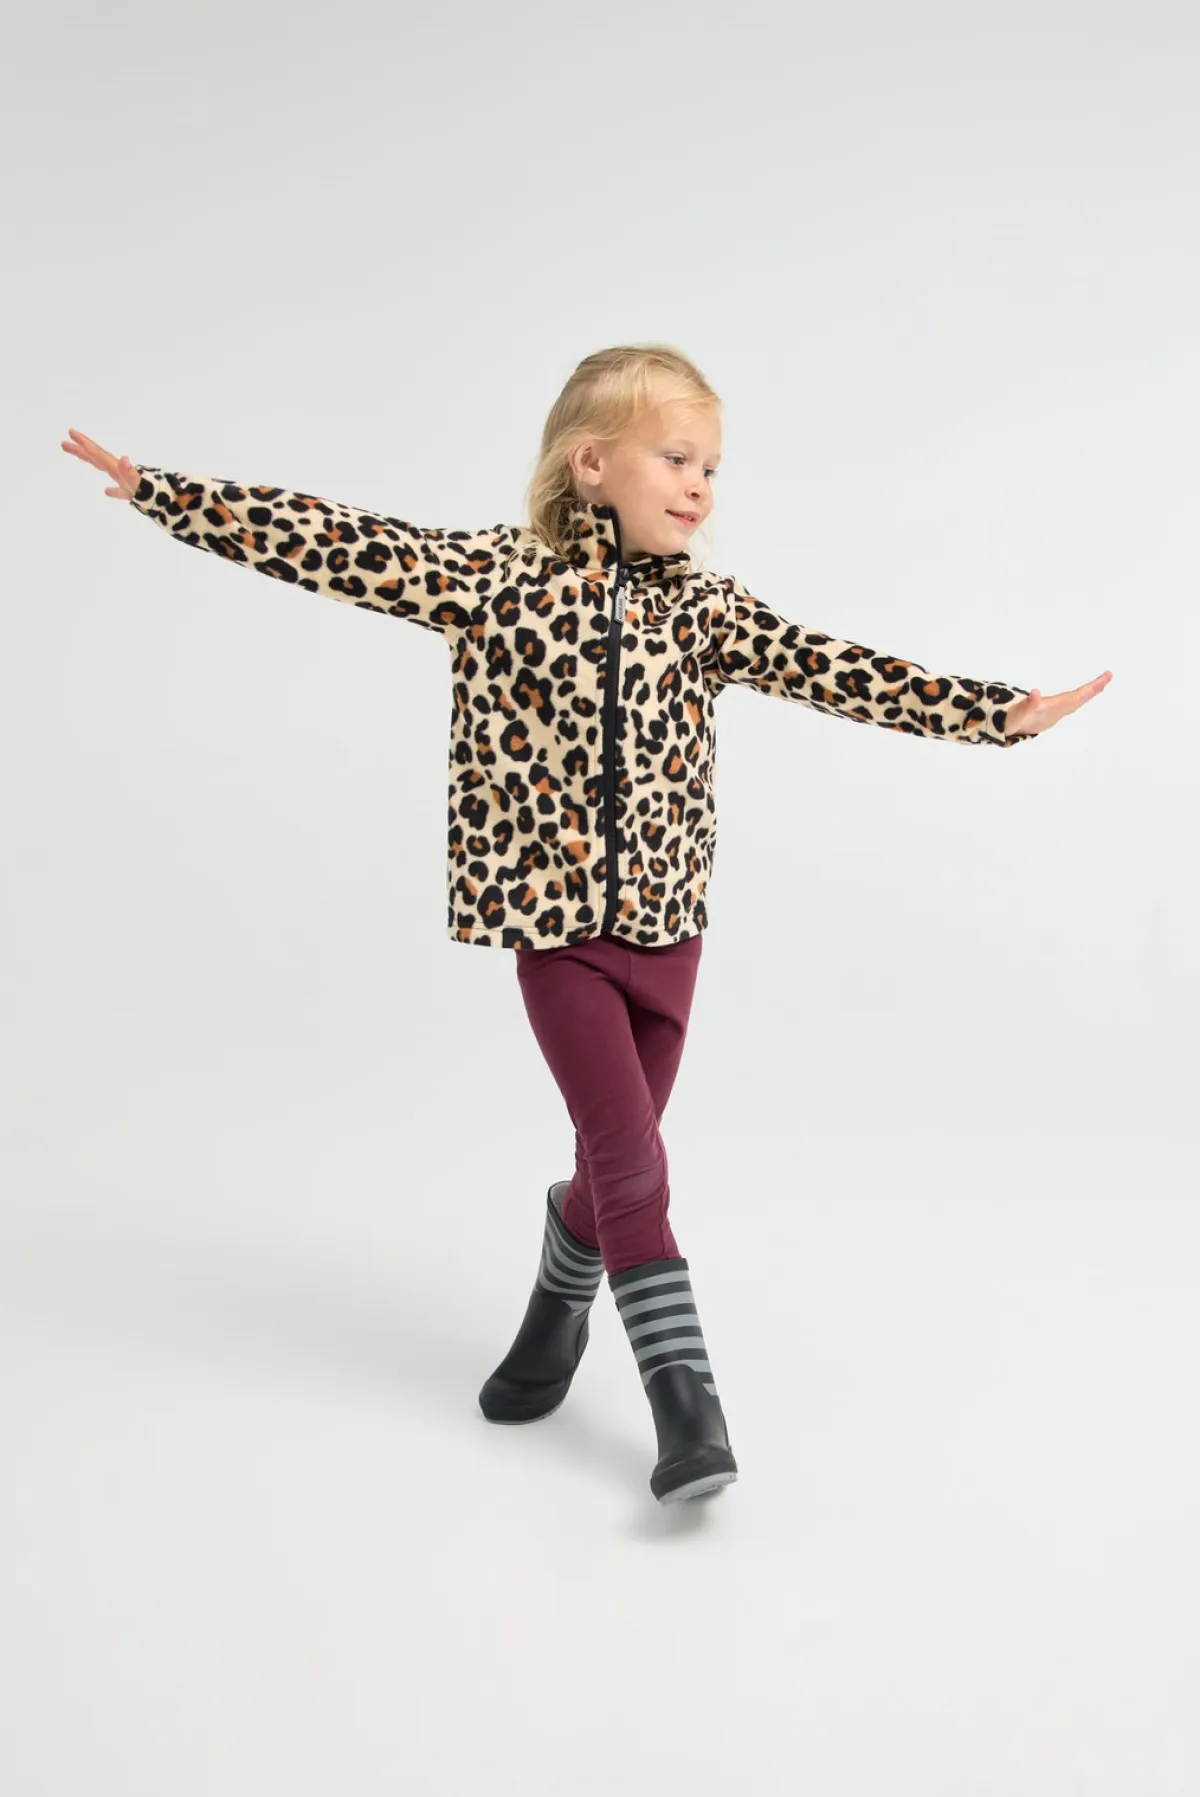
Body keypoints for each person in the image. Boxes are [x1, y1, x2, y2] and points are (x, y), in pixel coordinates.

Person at [61, 343, 1112, 1505]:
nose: (699, 484)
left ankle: (552, 1313)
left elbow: (831, 667)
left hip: (671, 932)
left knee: (606, 1166)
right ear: (591, 462)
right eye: (677, 457)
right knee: (632, 1157)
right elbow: (340, 542)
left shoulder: (704, 610)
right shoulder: (493, 577)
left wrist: (995, 713)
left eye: (711, 466)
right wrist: (165, 493)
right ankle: (686, 1401)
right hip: (554, 928)